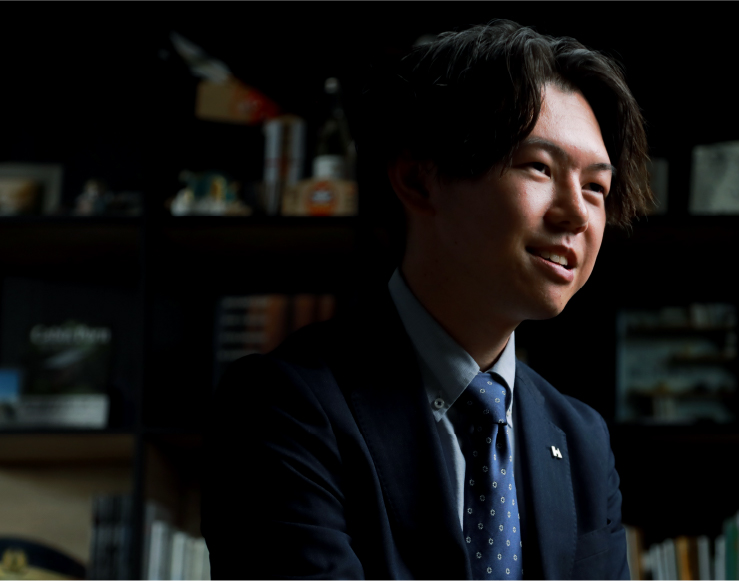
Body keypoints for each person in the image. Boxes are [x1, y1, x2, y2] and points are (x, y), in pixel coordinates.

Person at [202, 19, 652, 580]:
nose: (577, 214)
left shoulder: (582, 440)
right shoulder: (283, 408)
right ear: (419, 180)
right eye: (539, 167)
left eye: (595, 187)